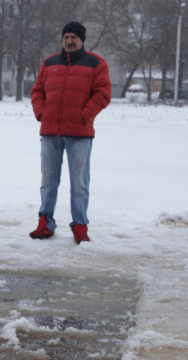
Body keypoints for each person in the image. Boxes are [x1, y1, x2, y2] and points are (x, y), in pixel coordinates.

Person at [29, 21, 111, 244]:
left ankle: (80, 226)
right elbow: (37, 91)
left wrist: (85, 115)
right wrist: (42, 113)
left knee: (79, 183)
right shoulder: (49, 63)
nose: (69, 41)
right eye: (66, 37)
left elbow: (103, 93)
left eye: (74, 37)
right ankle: (45, 222)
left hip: (80, 134)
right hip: (50, 132)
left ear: (82, 40)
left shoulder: (96, 63)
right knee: (48, 182)